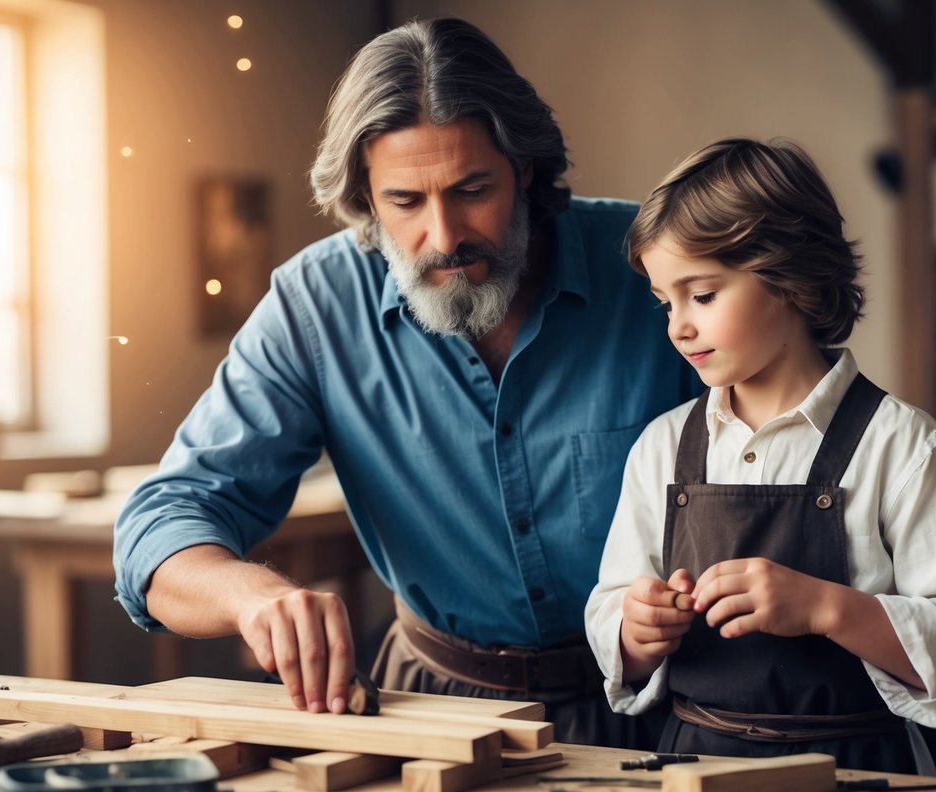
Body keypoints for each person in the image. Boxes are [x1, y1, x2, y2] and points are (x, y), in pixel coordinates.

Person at [112, 17, 702, 748]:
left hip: (670, 708)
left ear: (524, 168)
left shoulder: (654, 265)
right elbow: (161, 521)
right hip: (434, 715)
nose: (444, 236)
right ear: (365, 196)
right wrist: (253, 596)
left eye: (472, 189)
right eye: (405, 202)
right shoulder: (315, 305)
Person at [584, 138, 936, 773]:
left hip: (861, 778)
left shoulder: (905, 447)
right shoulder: (661, 448)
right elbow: (611, 609)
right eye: (665, 303)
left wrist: (827, 608)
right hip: (692, 775)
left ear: (791, 278)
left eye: (701, 295)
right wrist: (637, 630)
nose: (678, 326)